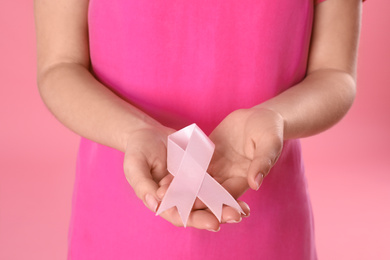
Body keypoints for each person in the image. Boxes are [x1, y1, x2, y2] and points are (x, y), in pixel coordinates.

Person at [34, 0, 363, 259]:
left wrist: (275, 116)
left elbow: (335, 74)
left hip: (269, 225)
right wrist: (133, 132)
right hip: (118, 223)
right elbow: (60, 65)